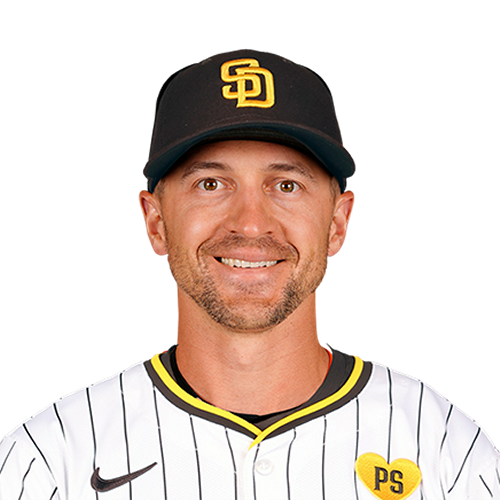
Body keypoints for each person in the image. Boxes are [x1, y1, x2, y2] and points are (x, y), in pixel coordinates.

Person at [1, 49, 498, 499]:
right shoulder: (52, 457)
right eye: (211, 183)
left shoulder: (444, 447)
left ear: (337, 223)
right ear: (156, 222)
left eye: (286, 185)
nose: (251, 224)